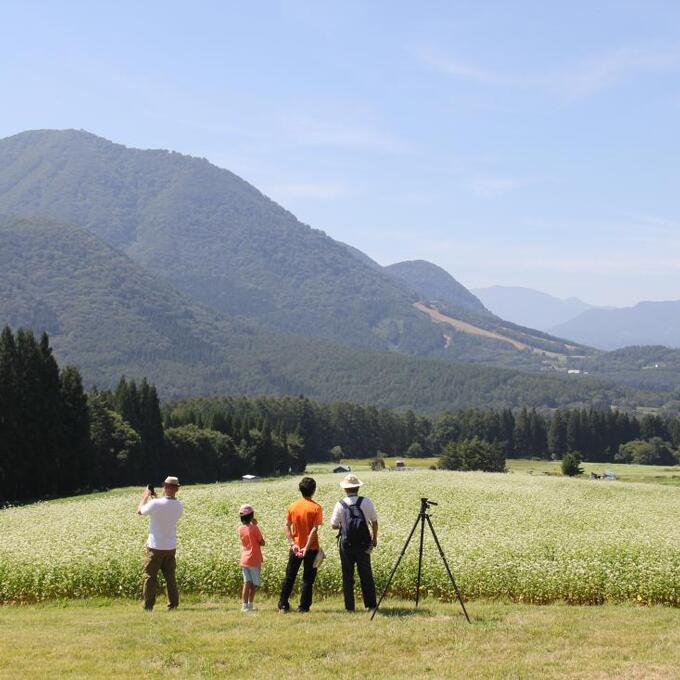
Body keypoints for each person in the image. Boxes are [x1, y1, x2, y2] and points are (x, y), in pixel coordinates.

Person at [330, 473, 378, 612]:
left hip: (346, 544)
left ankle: (350, 608)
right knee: (366, 574)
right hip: (363, 543)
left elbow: (333, 525)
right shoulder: (366, 501)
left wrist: (343, 526)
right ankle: (370, 605)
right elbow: (374, 522)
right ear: (358, 487)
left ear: (345, 489)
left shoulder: (340, 504)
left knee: (347, 575)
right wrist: (374, 539)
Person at [137, 476, 184, 611]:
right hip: (170, 547)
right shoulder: (179, 506)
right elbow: (164, 507)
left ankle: (148, 605)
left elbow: (140, 511)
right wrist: (156, 498)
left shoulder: (155, 504)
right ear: (177, 489)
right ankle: (173, 604)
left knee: (150, 577)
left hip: (155, 547)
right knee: (170, 577)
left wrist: (145, 496)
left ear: (166, 487)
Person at [277, 476, 323, 613]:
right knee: (308, 579)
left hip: (295, 548)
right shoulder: (316, 508)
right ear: (313, 490)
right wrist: (306, 548)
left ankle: (283, 605)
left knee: (290, 576)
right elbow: (314, 530)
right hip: (311, 548)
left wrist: (293, 544)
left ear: (300, 490)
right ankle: (303, 607)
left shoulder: (293, 506)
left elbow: (286, 526)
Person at [238, 503, 265, 612]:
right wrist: (256, 526)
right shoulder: (255, 528)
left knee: (246, 582)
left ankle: (244, 606)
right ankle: (250, 604)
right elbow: (262, 542)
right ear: (251, 516)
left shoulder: (240, 528)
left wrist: (253, 525)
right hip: (254, 559)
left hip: (244, 559)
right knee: (254, 583)